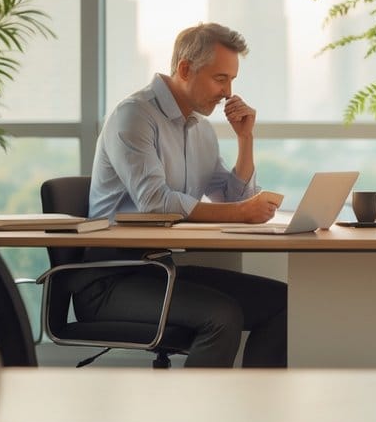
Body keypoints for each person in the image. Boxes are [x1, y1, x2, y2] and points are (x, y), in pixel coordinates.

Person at [80, 23, 288, 367]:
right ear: (185, 69)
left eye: (232, 80)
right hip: (109, 279)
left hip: (160, 269)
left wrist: (245, 140)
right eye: (220, 79)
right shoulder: (133, 116)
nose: (228, 92)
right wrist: (242, 213)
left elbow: (231, 196)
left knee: (281, 303)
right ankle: (193, 419)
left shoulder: (200, 128)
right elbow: (155, 204)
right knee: (221, 316)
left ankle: (256, 414)